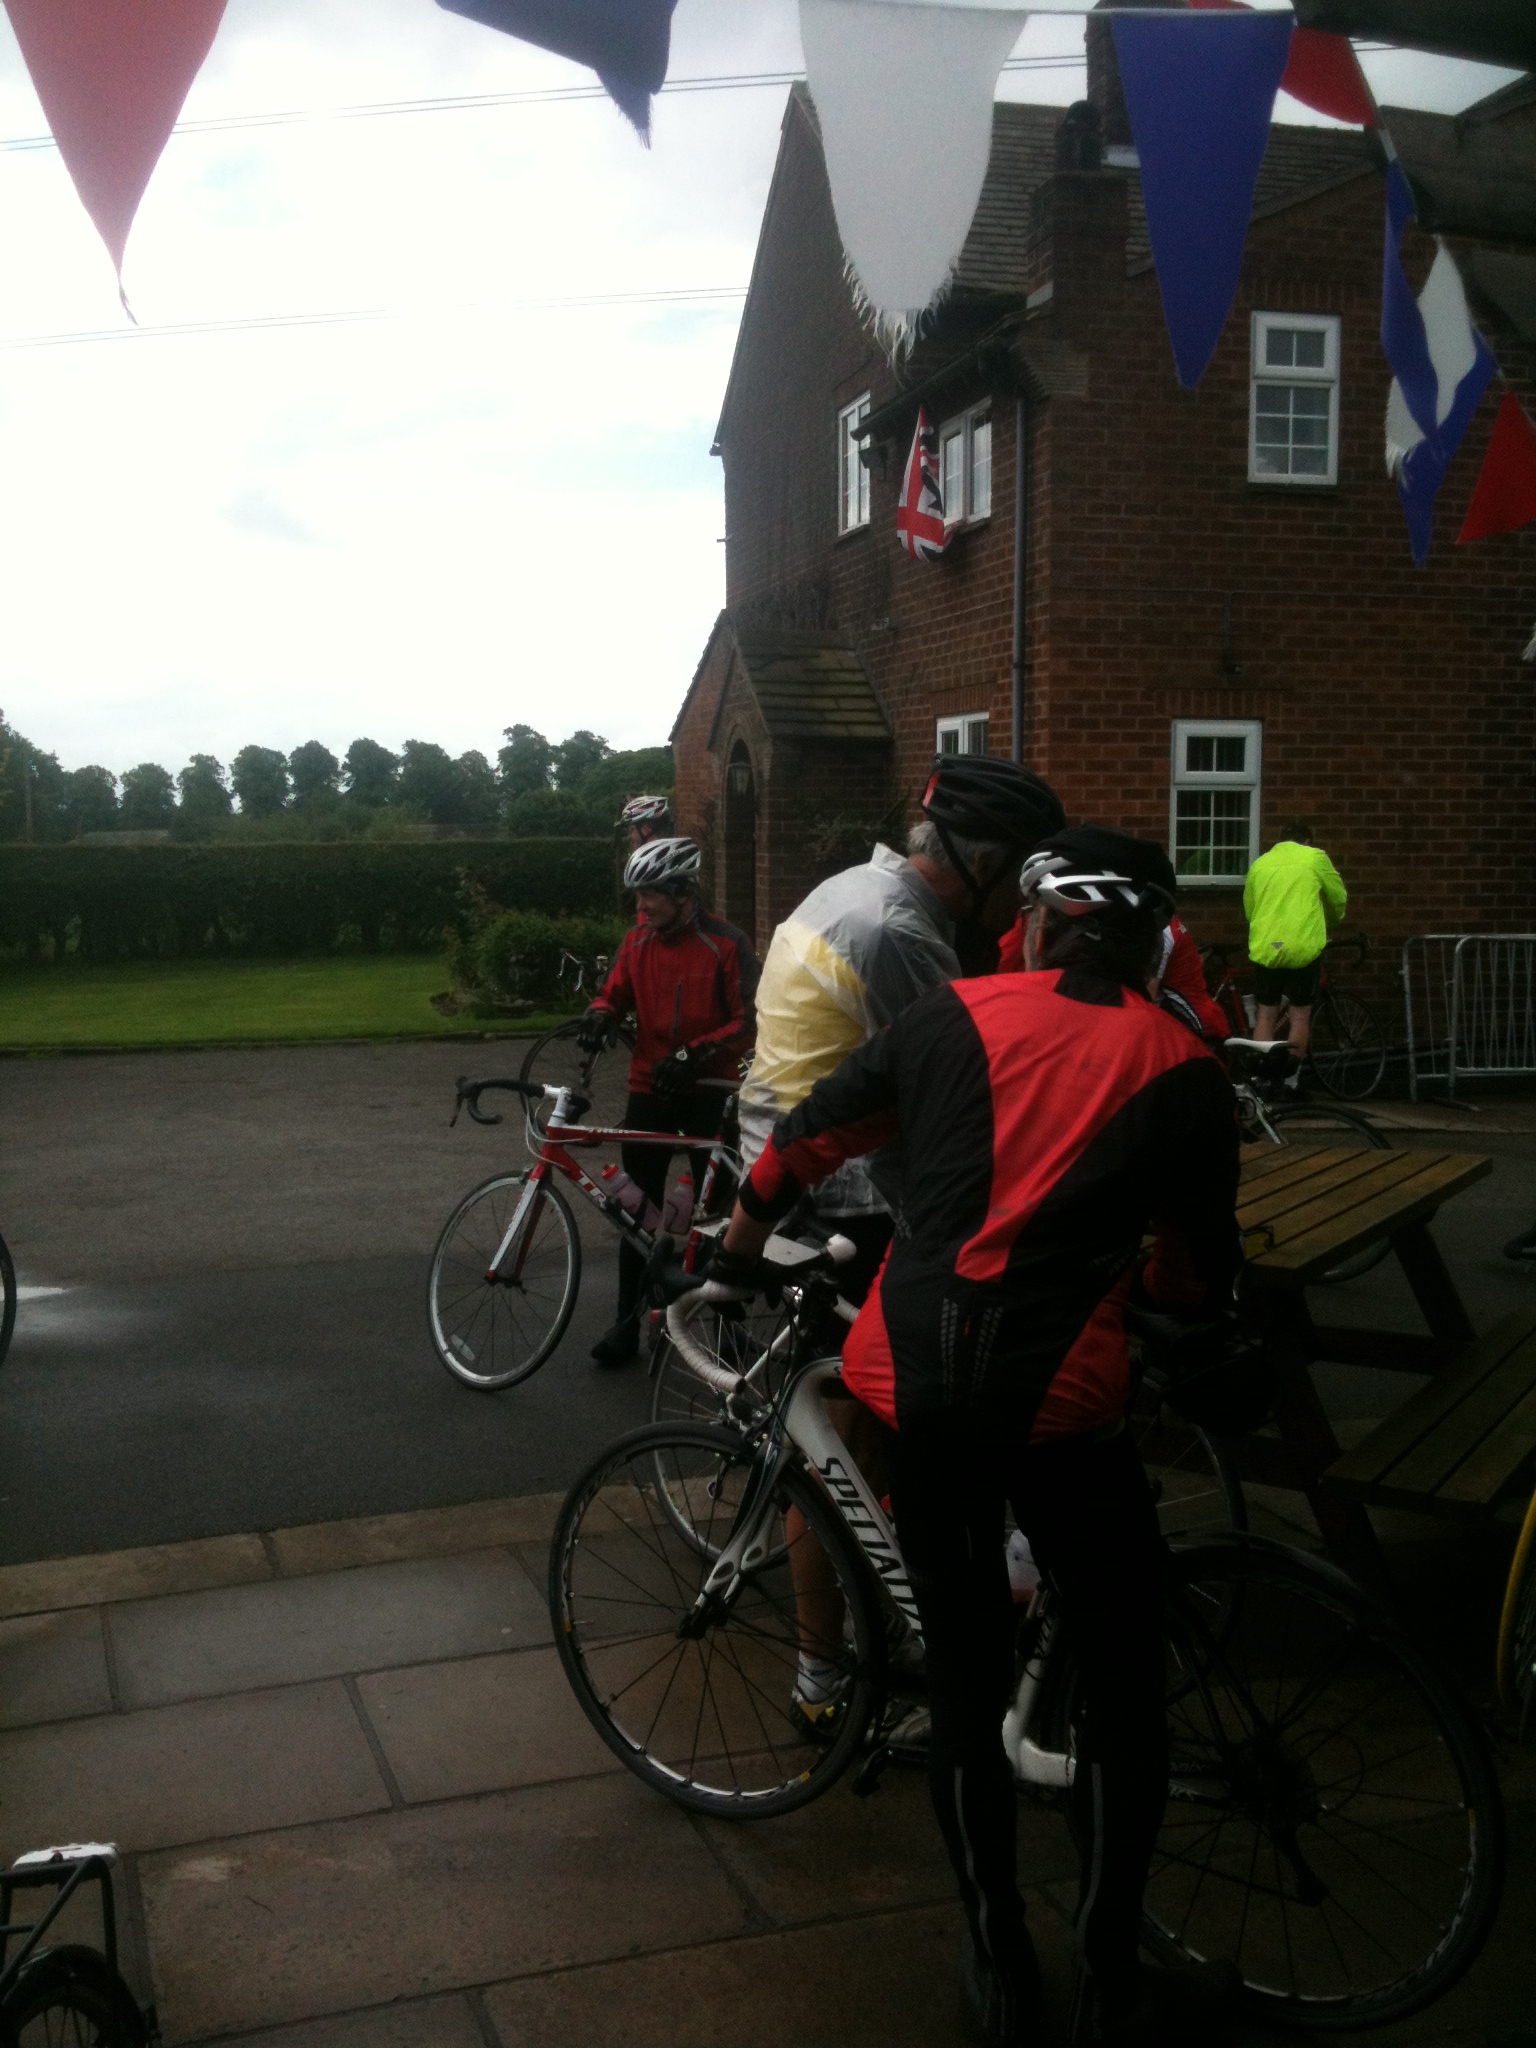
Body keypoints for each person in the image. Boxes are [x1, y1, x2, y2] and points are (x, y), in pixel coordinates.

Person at [710, 848, 1242, 2046]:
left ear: (1040, 926)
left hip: (926, 1385)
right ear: (1153, 945)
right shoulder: (1183, 1064)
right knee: (1124, 1683)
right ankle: (1108, 1966)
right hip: (1068, 1406)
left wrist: (736, 1254)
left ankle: (998, 1953)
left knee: (963, 1680)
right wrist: (1150, 1293)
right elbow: (1195, 1271)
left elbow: (803, 1139)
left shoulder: (948, 1013)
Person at [737, 753, 1066, 1296]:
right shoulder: (895, 931)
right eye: (1024, 879)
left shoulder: (857, 886)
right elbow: (961, 1085)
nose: (1025, 900)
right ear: (985, 866)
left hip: (781, 1142)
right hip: (841, 1182)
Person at [579, 836, 759, 1366]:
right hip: (650, 1089)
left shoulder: (727, 943)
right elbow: (613, 993)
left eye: (650, 894)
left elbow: (749, 1021)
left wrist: (694, 1055)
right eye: (636, 896)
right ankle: (626, 1325)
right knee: (636, 1212)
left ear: (683, 892)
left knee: (717, 1221)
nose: (640, 906)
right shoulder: (637, 941)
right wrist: (601, 1015)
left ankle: (727, 1332)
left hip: (710, 1094)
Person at [998, 827, 1230, 1044]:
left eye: (1032, 913)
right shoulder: (1151, 922)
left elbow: (1148, 992)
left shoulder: (1164, 931)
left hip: (1196, 1029)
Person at [1243, 826, 1348, 1086]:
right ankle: (1290, 1082)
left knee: (1266, 1014)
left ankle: (1263, 1081)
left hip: (1268, 948)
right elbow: (1338, 898)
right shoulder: (1315, 858)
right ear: (1307, 841)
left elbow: (1250, 908)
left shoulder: (1260, 863)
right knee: (1299, 1016)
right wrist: (1329, 922)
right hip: (1303, 948)